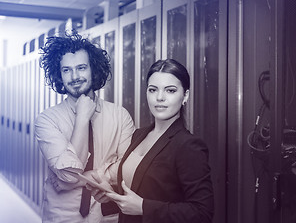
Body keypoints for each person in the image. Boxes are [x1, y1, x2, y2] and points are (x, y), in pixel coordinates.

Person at [90, 59, 214, 223]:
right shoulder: (138, 135)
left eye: (170, 90)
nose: (160, 97)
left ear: (185, 95)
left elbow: (202, 213)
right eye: (153, 90)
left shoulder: (188, 146)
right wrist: (111, 195)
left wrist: (143, 207)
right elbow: (142, 190)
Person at [35, 31, 135, 223]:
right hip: (62, 217)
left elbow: (128, 167)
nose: (74, 76)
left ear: (93, 70)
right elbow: (68, 176)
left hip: (107, 216)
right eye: (66, 70)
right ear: (59, 75)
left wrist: (94, 174)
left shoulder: (119, 115)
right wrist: (82, 117)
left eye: (81, 68)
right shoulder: (47, 120)